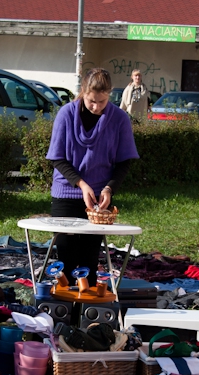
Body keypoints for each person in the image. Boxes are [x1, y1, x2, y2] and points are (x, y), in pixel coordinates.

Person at [46, 68, 140, 284]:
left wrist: (109, 188)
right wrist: (81, 184)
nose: (96, 107)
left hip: (99, 200)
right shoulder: (65, 114)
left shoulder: (120, 119)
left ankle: (85, 315)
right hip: (66, 195)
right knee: (66, 263)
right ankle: (65, 314)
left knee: (88, 262)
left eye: (102, 101)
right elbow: (57, 158)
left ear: (110, 95)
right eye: (91, 101)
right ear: (82, 92)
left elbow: (124, 161)